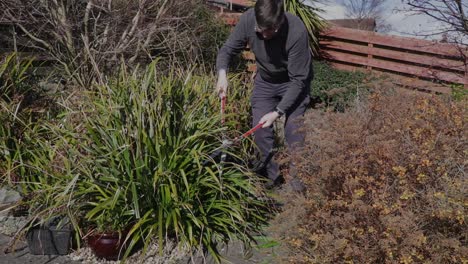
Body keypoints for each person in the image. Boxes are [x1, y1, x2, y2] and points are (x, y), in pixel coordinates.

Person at [215, 0, 312, 192]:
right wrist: (222, 75)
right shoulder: (249, 19)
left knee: (294, 131)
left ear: (280, 21)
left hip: (293, 83)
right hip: (266, 82)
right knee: (260, 129)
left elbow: (299, 80)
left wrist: (277, 112)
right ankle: (272, 179)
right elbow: (227, 50)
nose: (265, 35)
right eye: (261, 30)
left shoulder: (296, 31)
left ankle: (297, 187)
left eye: (271, 30)